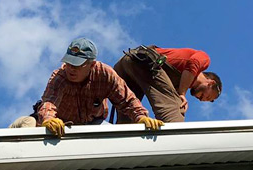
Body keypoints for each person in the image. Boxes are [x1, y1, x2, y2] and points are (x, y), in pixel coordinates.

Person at [34, 37, 164, 137]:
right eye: (69, 63)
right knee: (33, 127)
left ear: (92, 64)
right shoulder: (59, 77)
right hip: (61, 125)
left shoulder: (105, 74)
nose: (71, 69)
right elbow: (49, 102)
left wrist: (141, 117)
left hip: (93, 123)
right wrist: (48, 119)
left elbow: (127, 100)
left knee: (113, 138)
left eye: (77, 65)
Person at [112, 45, 222, 123]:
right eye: (207, 96)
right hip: (143, 61)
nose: (202, 99)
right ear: (211, 83)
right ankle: (175, 145)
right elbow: (193, 63)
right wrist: (182, 94)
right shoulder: (204, 59)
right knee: (176, 109)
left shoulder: (177, 86)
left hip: (125, 67)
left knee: (129, 116)